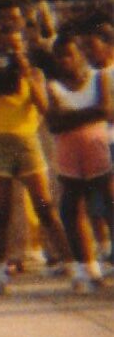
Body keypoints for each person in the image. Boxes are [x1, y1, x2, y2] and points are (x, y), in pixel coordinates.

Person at [0, 25, 72, 294]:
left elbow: (44, 107)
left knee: (44, 206)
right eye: (8, 48)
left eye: (18, 47)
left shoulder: (34, 73)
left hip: (26, 140)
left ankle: (73, 263)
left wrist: (25, 76)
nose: (13, 52)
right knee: (1, 213)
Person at [46, 32, 110, 292]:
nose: (64, 60)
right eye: (59, 56)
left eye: (69, 54)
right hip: (68, 151)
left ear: (80, 55)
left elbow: (105, 110)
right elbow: (54, 123)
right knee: (72, 208)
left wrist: (70, 117)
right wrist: (89, 113)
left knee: (108, 203)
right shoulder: (54, 86)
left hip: (96, 147)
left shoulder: (98, 78)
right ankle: (88, 268)